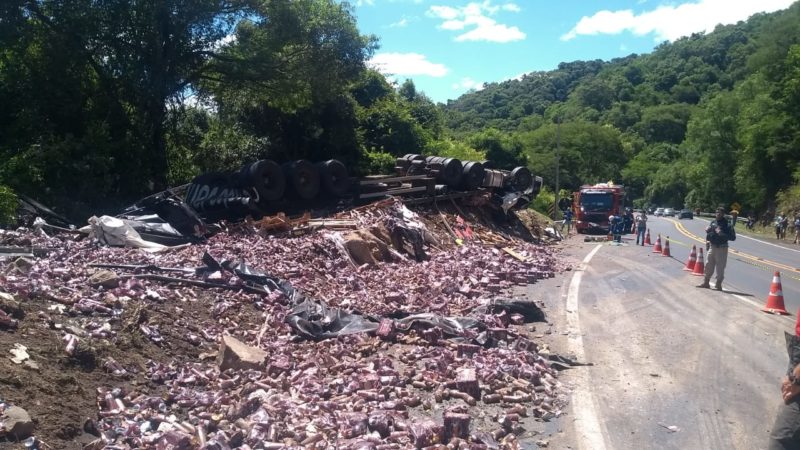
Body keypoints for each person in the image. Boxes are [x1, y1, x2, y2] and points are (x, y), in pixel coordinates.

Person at [697, 207, 736, 291]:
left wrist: (721, 233)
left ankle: (718, 284)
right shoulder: (713, 222)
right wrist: (707, 241)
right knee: (708, 265)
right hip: (712, 246)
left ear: (723, 214)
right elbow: (709, 234)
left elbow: (733, 237)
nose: (717, 214)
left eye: (719, 213)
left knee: (720, 267)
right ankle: (706, 282)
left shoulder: (727, 225)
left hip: (721, 248)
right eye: (716, 212)